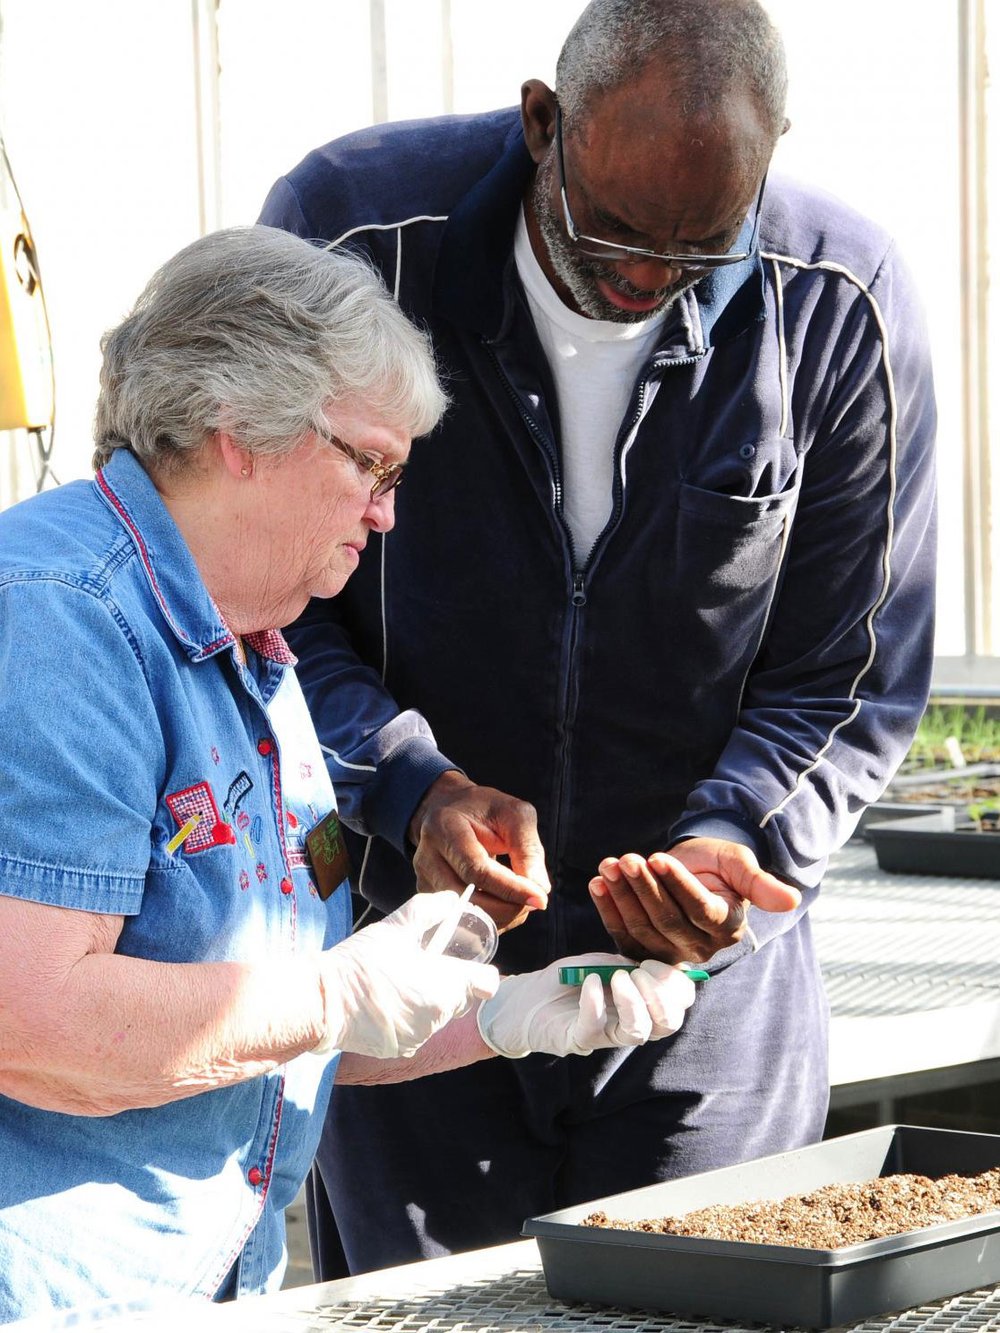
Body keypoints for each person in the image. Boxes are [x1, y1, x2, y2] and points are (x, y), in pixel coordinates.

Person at [258, 0, 937, 1280]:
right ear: (540, 126)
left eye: (698, 249)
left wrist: (727, 851)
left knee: (702, 1302)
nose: (643, 278)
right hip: (414, 947)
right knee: (423, 1312)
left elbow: (845, 675)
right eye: (612, 231)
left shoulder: (837, 303)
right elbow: (272, 604)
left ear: (769, 162)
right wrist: (410, 786)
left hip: (702, 991)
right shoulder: (352, 246)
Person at [0, 223, 700, 1325]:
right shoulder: (60, 619)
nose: (385, 509)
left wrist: (507, 1013)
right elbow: (30, 1024)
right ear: (239, 426)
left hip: (206, 1288)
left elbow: (276, 1032)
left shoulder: (256, 648)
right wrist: (337, 990)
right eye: (368, 462)